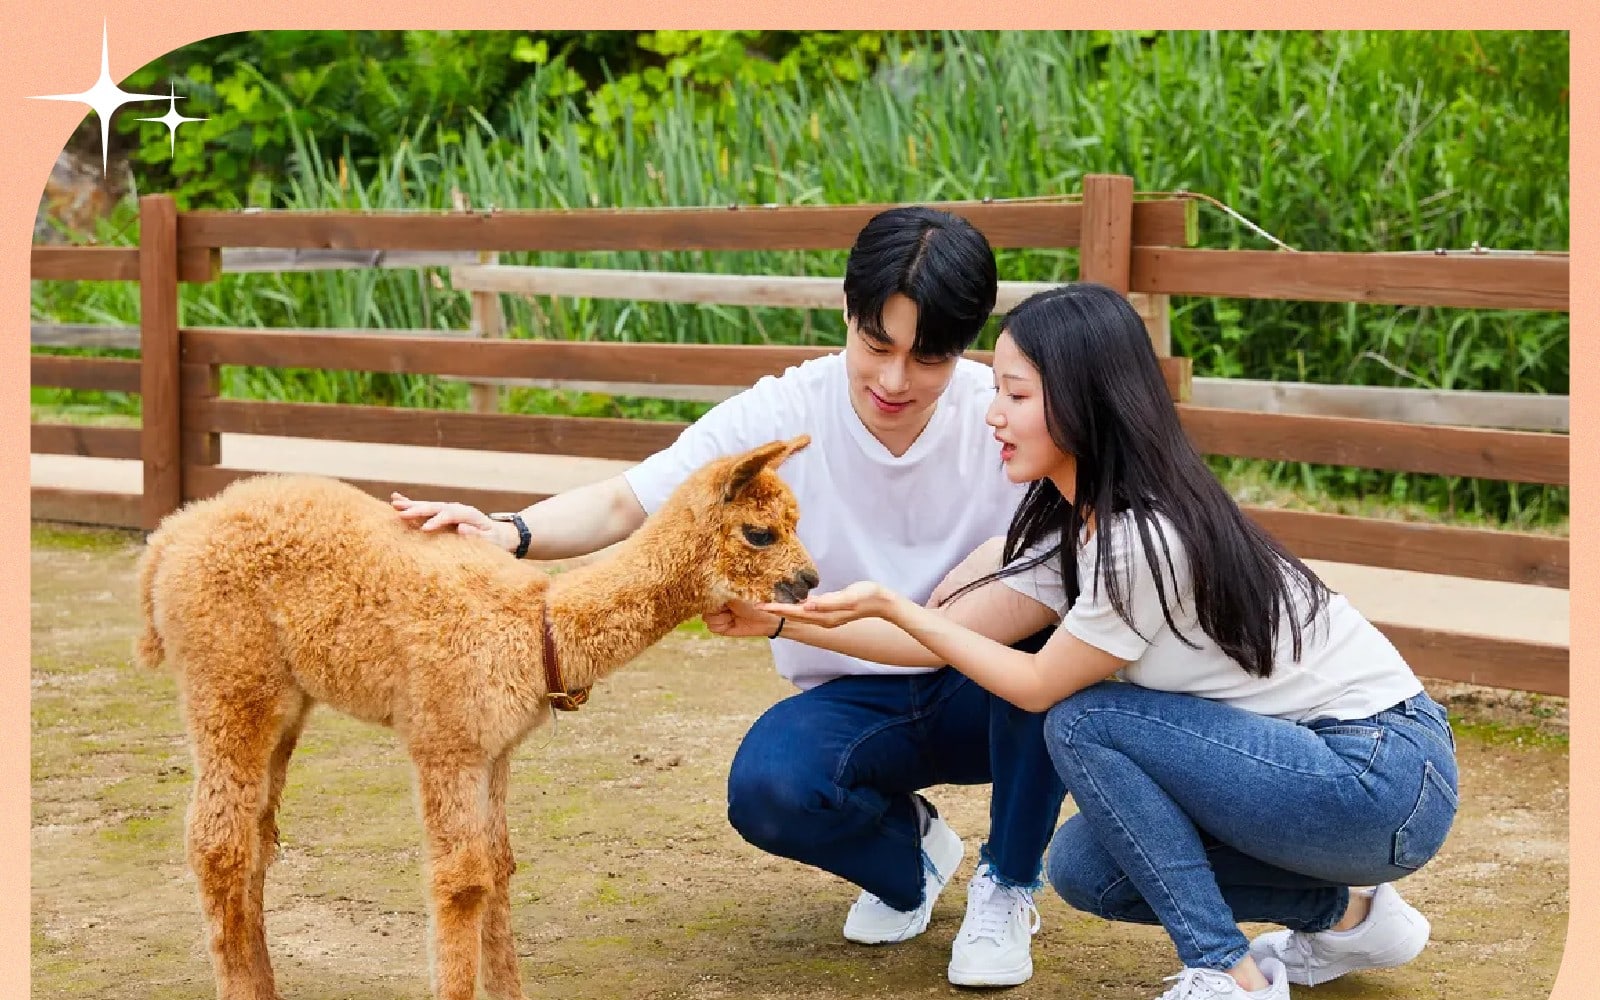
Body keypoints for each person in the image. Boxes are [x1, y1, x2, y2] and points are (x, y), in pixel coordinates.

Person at [706, 282, 1459, 1000]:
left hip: (1380, 774)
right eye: (996, 389)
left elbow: (1033, 687)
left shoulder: (1142, 536)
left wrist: (894, 607)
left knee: (1080, 715)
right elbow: (947, 642)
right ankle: (1355, 919)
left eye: (1017, 395)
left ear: (1087, 401)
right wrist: (781, 619)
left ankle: (1227, 972)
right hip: (1317, 783)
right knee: (1087, 868)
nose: (992, 415)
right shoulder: (1077, 532)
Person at [391, 206, 1069, 988]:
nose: (894, 380)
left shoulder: (1004, 415)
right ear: (846, 314)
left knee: (1054, 656)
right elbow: (630, 501)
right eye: (876, 346)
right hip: (849, 695)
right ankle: (909, 855)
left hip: (977, 682)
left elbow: (1087, 540)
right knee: (768, 789)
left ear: (967, 347)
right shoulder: (786, 410)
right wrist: (510, 531)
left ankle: (1010, 882)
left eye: (929, 359)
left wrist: (779, 616)